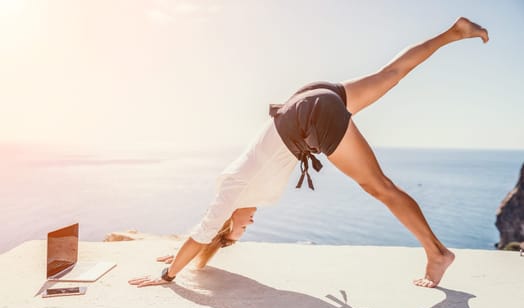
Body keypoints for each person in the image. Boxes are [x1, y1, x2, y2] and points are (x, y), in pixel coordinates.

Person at [129, 17, 489, 289]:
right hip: (303, 101)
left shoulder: (231, 194)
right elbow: (202, 234)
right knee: (390, 73)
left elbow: (204, 232)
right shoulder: (235, 185)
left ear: (228, 222)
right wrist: (189, 250)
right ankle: (454, 32)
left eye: (239, 231)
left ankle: (437, 253)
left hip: (311, 117)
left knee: (380, 187)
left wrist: (169, 274)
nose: (248, 226)